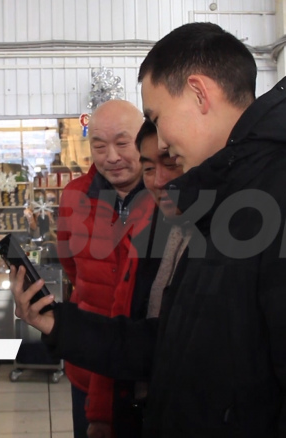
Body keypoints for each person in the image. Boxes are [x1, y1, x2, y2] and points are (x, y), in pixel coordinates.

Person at [13, 22, 286, 437]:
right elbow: (177, 345)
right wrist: (60, 324)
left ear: (199, 93)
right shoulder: (227, 198)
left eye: (157, 118)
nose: (160, 142)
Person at [55, 99, 154, 438]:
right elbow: (70, 264)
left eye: (123, 144)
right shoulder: (74, 196)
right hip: (88, 363)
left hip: (144, 367)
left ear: (144, 141)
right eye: (99, 146)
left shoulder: (165, 197)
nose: (111, 157)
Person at [110, 120, 186, 438]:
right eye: (149, 169)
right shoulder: (154, 221)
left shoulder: (219, 235)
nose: (158, 181)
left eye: (171, 163)